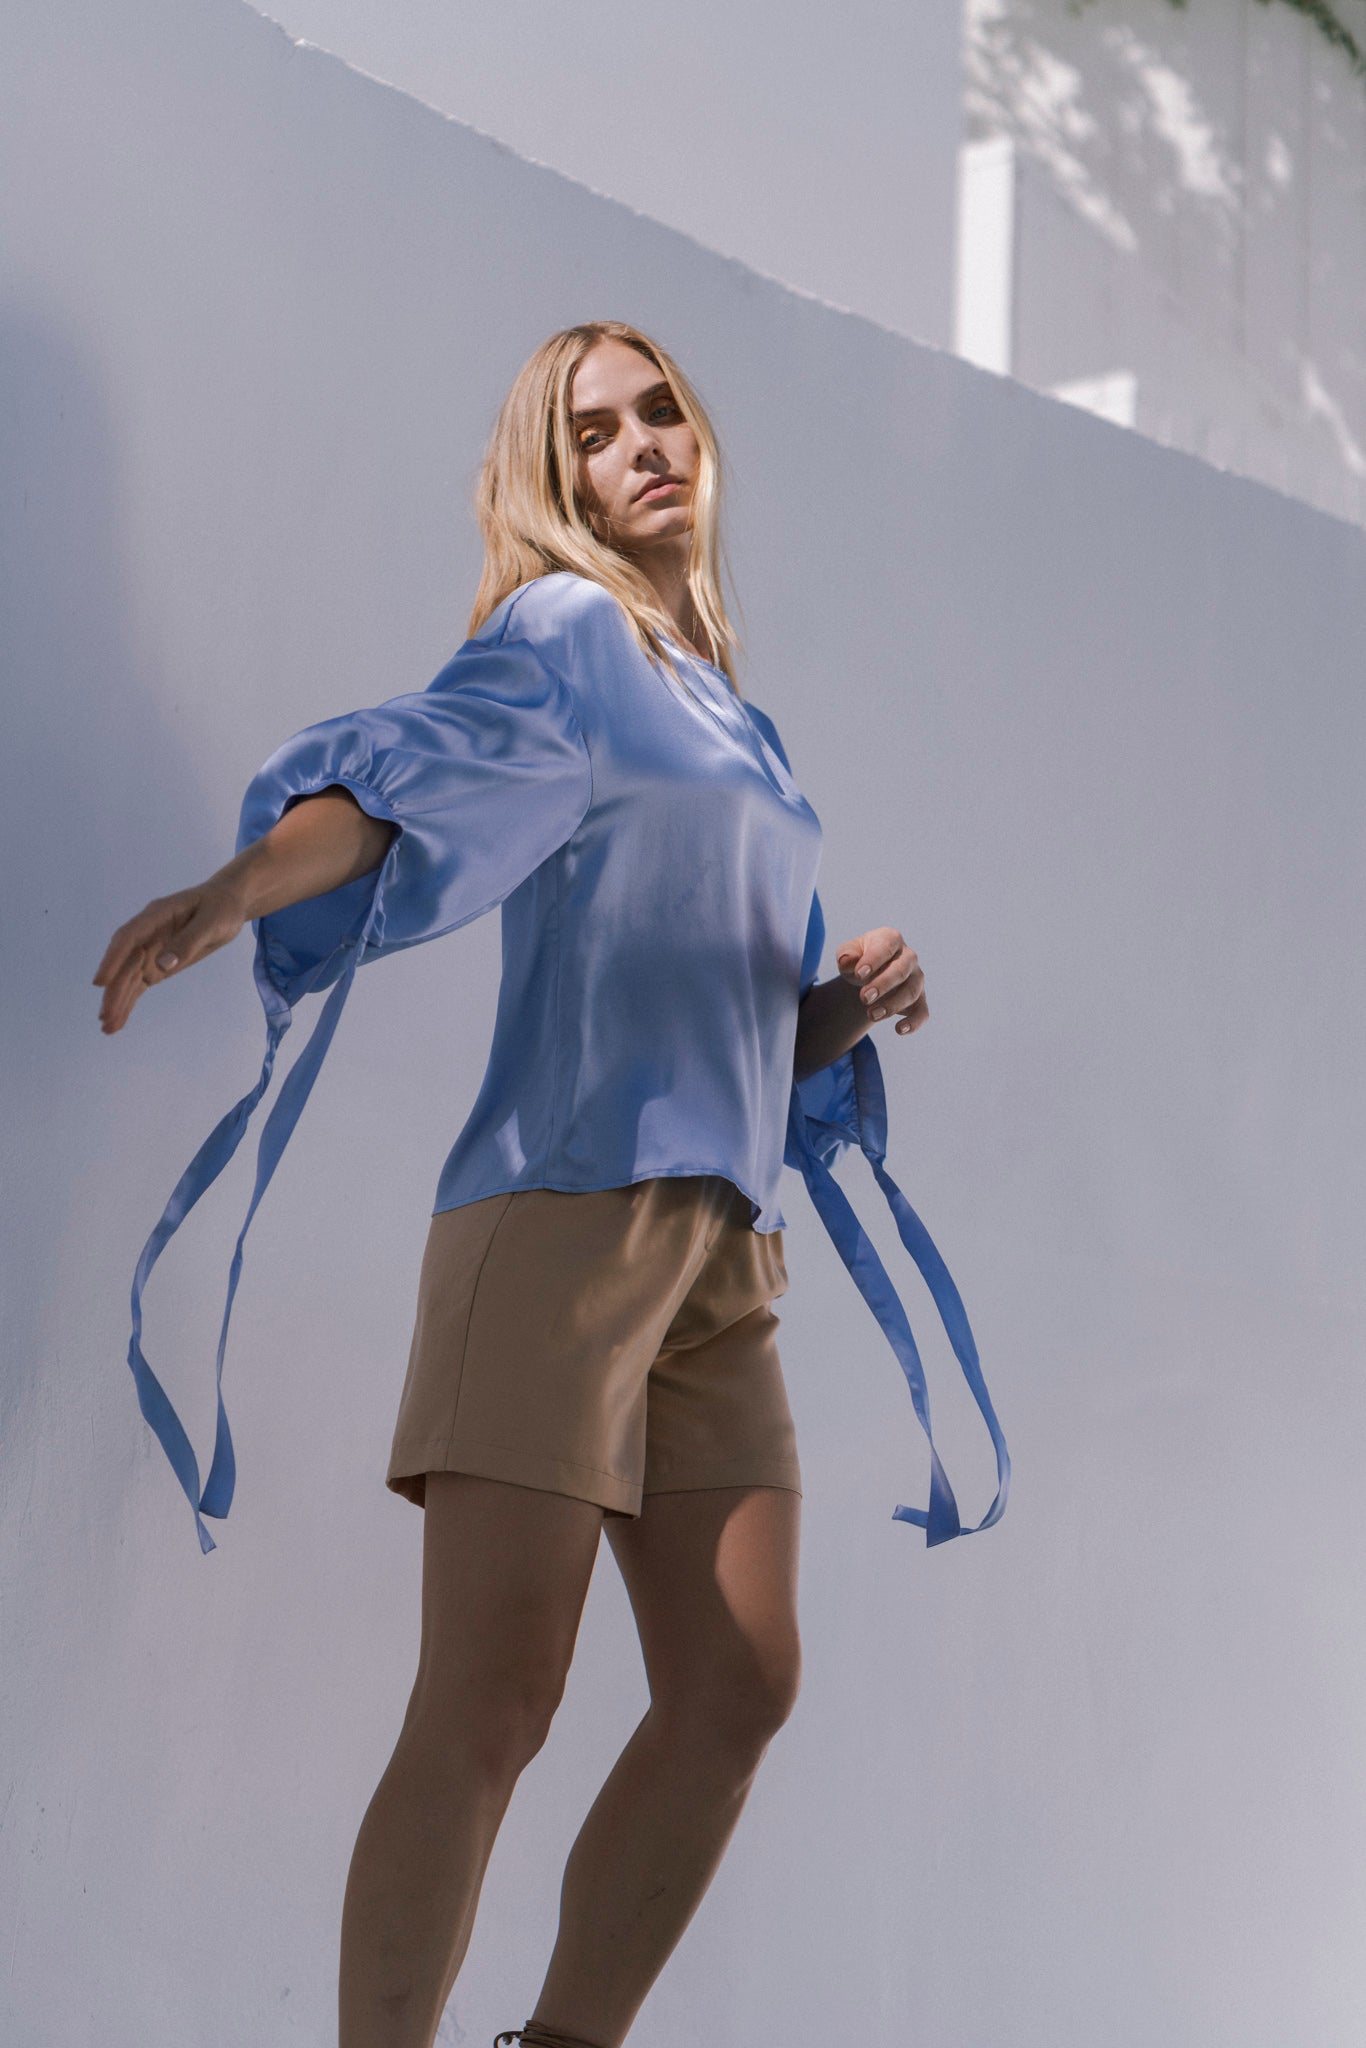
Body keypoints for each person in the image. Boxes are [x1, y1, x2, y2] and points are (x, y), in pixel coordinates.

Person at [92, 321, 1009, 2048]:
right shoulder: (565, 632)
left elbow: (733, 1014)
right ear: (552, 479)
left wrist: (844, 1003)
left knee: (738, 1681)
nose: (644, 443)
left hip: (721, 1253)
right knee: (495, 1701)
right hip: (563, 1216)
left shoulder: (735, 714)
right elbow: (405, 777)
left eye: (661, 407)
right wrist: (241, 884)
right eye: (593, 430)